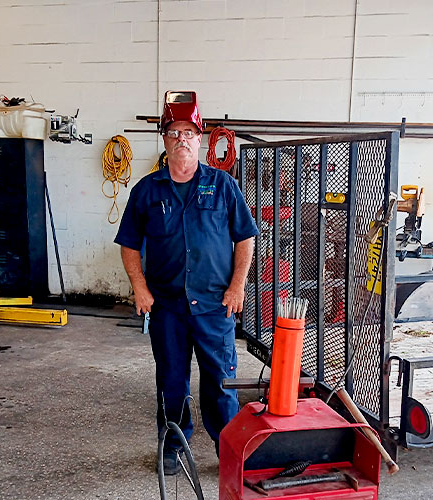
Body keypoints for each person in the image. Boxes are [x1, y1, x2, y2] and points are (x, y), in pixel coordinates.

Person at [114, 91, 258, 475]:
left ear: (201, 140)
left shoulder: (223, 185)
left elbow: (245, 237)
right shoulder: (146, 191)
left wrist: (237, 286)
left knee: (221, 381)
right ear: (164, 139)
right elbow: (129, 245)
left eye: (188, 133)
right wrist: (139, 287)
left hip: (214, 306)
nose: (182, 139)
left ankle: (227, 446)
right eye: (174, 132)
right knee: (172, 381)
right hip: (167, 307)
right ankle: (172, 445)